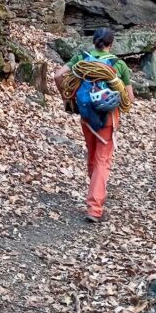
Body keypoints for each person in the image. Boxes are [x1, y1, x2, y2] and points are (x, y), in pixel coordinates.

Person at [54, 27, 133, 223]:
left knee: (92, 152)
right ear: (111, 44)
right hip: (108, 117)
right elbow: (129, 98)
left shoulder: (81, 59)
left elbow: (58, 75)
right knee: (103, 159)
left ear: (94, 41)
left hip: (86, 115)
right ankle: (95, 208)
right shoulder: (118, 65)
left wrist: (68, 99)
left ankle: (95, 190)